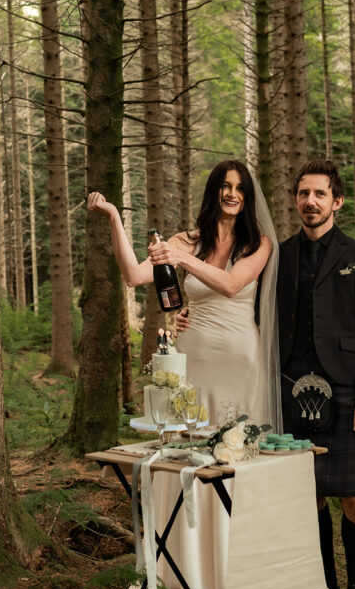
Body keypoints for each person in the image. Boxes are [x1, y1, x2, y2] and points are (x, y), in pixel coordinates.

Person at [88, 159, 281, 429]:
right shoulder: (187, 241)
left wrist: (180, 258)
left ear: (247, 196)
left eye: (239, 188)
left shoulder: (258, 243)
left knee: (238, 439)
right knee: (190, 436)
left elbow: (231, 285)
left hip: (240, 357)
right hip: (194, 354)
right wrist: (114, 218)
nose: (231, 194)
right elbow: (134, 276)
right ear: (214, 191)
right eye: (225, 186)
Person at [278, 159, 355, 589]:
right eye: (304, 193)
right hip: (292, 389)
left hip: (345, 389)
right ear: (295, 200)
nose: (310, 201)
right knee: (310, 497)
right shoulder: (279, 254)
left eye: (319, 194)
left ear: (336, 201)